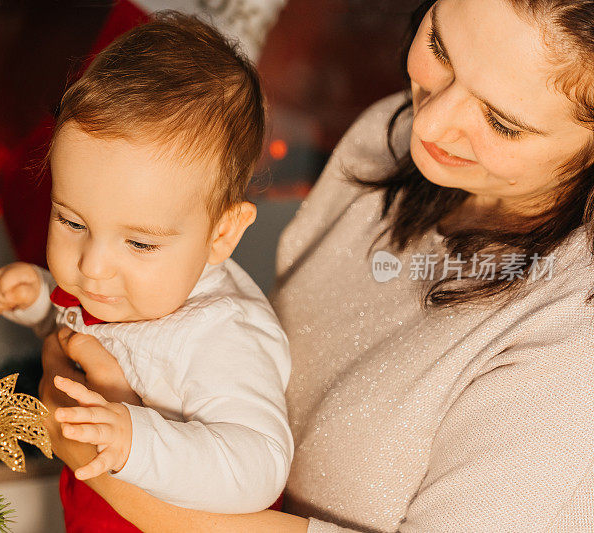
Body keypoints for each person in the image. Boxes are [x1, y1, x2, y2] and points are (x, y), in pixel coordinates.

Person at [38, 0, 594, 531]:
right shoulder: (390, 134)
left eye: (502, 123)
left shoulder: (574, 354)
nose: (428, 123)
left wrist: (105, 457)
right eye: (441, 49)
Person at [0, 13, 293, 533]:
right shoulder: (125, 287)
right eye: (72, 221)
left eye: (139, 242)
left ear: (221, 234)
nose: (92, 266)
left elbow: (259, 465)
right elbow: (83, 333)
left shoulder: (221, 333)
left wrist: (137, 440)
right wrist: (39, 300)